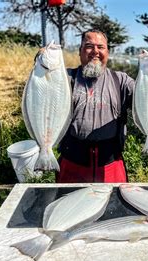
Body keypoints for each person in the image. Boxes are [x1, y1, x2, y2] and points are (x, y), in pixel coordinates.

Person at [56, 29, 135, 183]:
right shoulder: (64, 79)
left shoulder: (122, 81)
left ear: (108, 52)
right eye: (89, 46)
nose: (95, 52)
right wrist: (41, 61)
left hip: (111, 165)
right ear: (80, 51)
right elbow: (40, 88)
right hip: (71, 163)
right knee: (68, 205)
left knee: (113, 205)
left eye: (101, 47)